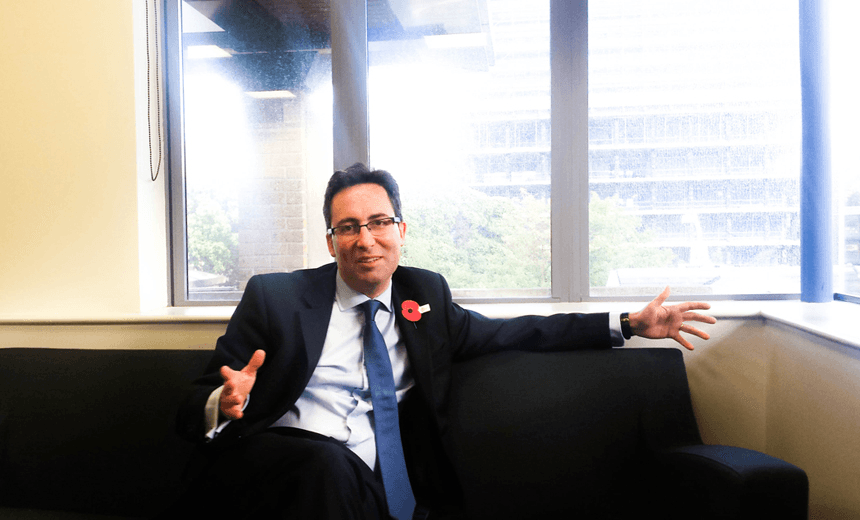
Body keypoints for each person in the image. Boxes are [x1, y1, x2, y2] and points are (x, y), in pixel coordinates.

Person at [171, 163, 715, 520]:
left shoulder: (424, 297)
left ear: (401, 230)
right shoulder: (278, 298)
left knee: (348, 477)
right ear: (331, 240)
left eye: (379, 222)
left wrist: (626, 323)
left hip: (366, 484)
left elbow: (520, 330)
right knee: (324, 466)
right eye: (349, 227)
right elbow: (198, 399)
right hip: (278, 472)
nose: (366, 239)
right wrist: (228, 400)